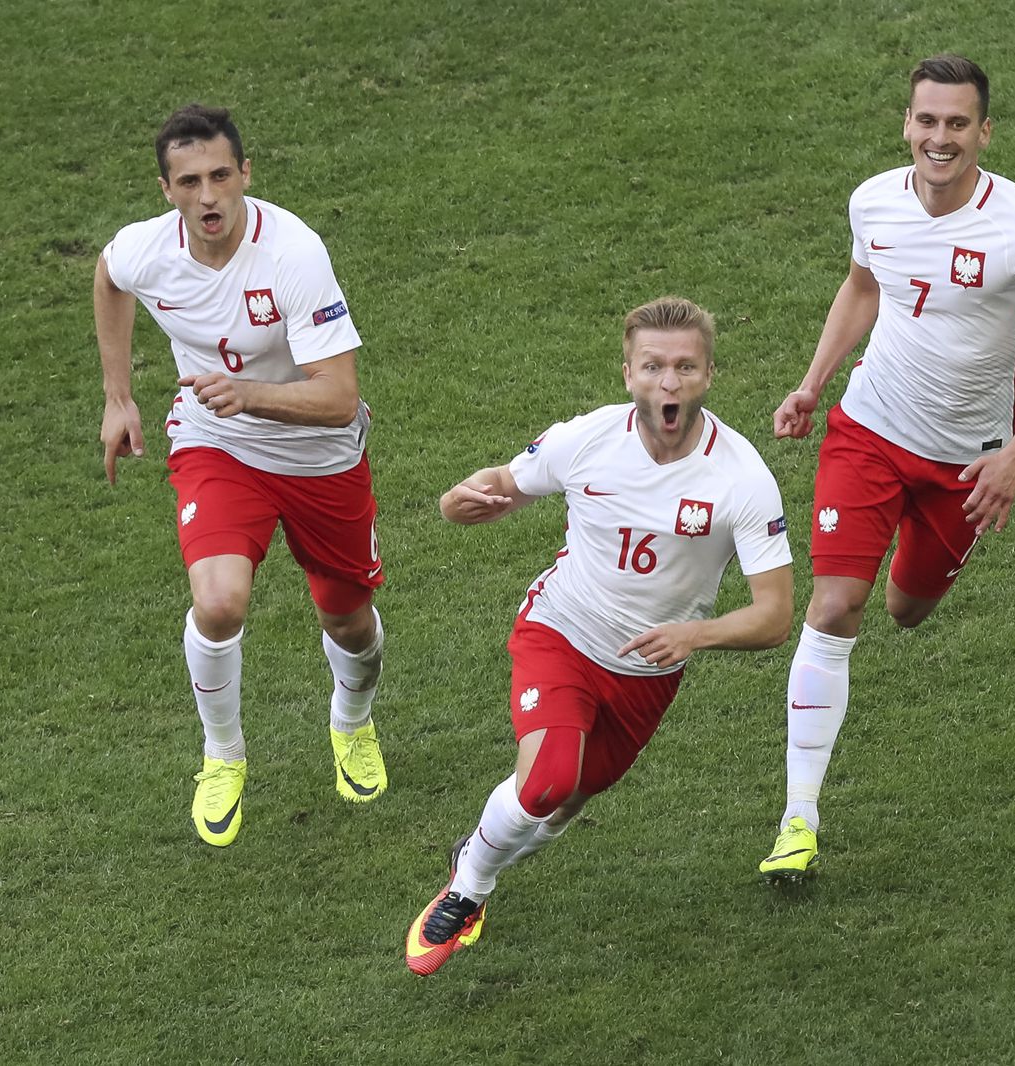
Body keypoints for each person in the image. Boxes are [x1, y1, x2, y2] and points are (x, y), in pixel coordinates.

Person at [758, 55, 1015, 881]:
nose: (938, 139)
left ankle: (922, 562)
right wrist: (812, 384)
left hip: (966, 467)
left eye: (956, 124)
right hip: (867, 432)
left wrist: (1013, 459)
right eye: (926, 121)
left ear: (984, 132)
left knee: (908, 610)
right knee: (836, 605)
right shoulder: (873, 200)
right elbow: (862, 287)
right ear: (906, 123)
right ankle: (798, 820)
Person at [406, 296, 794, 975]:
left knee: (562, 804)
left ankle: (482, 843)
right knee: (549, 781)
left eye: (684, 367)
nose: (668, 383)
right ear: (628, 374)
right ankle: (468, 886)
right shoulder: (587, 439)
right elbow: (504, 485)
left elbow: (775, 615)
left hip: (646, 674)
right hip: (561, 631)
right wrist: (459, 500)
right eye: (653, 367)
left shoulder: (742, 479)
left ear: (708, 375)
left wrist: (696, 635)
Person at [94, 104, 388, 847]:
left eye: (221, 176)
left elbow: (340, 397)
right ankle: (222, 753)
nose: (208, 196)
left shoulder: (293, 253)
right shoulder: (148, 249)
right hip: (216, 446)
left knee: (348, 620)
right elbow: (109, 276)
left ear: (246, 174)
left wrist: (250, 394)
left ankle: (351, 724)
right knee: (218, 604)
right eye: (189, 181)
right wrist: (118, 396)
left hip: (320, 457)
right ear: (165, 189)